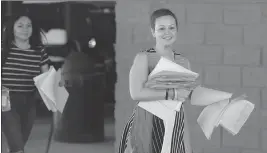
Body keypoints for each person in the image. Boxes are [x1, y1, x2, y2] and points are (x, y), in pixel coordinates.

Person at [118, 9, 193, 153]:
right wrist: (171, 93)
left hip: (174, 123)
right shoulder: (144, 58)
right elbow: (136, 93)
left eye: (172, 27)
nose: (167, 32)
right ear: (153, 32)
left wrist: (187, 145)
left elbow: (180, 106)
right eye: (161, 28)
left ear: (177, 30)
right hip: (147, 123)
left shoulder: (184, 62)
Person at [1, 12, 50, 153]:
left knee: (18, 144)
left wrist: (56, 93)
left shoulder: (39, 50)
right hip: (6, 101)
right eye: (20, 26)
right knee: (18, 148)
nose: (25, 29)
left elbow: (46, 76)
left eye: (29, 26)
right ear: (12, 28)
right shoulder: (4, 48)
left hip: (29, 101)